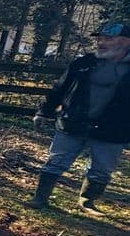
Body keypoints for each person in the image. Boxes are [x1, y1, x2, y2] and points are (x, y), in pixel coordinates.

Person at [26, 22, 130, 212]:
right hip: (72, 121)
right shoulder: (83, 63)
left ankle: (87, 202)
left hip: (113, 130)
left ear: (125, 42)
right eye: (100, 38)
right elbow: (59, 89)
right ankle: (40, 198)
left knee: (102, 170)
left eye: (108, 39)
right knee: (56, 161)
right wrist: (43, 112)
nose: (101, 42)